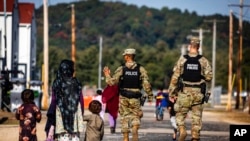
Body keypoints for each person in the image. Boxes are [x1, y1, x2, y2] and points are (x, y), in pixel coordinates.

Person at [103, 48, 153, 141]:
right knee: (136, 116)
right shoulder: (140, 68)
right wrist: (150, 95)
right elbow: (146, 84)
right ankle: (135, 128)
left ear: (127, 57)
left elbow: (112, 83)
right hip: (136, 96)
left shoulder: (121, 69)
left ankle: (126, 138)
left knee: (125, 118)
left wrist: (107, 75)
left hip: (124, 97)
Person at [168, 37, 213, 141]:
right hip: (198, 94)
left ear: (190, 46)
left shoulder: (182, 60)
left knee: (179, 115)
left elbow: (175, 78)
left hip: (184, 93)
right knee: (196, 118)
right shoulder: (203, 61)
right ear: (199, 47)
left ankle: (182, 130)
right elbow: (209, 77)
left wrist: (171, 93)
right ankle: (195, 137)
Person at [45, 59, 84, 141]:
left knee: (63, 137)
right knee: (75, 138)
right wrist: (81, 114)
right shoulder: (76, 82)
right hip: (75, 116)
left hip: (61, 117)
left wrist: (51, 119)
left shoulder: (57, 83)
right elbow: (81, 100)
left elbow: (54, 101)